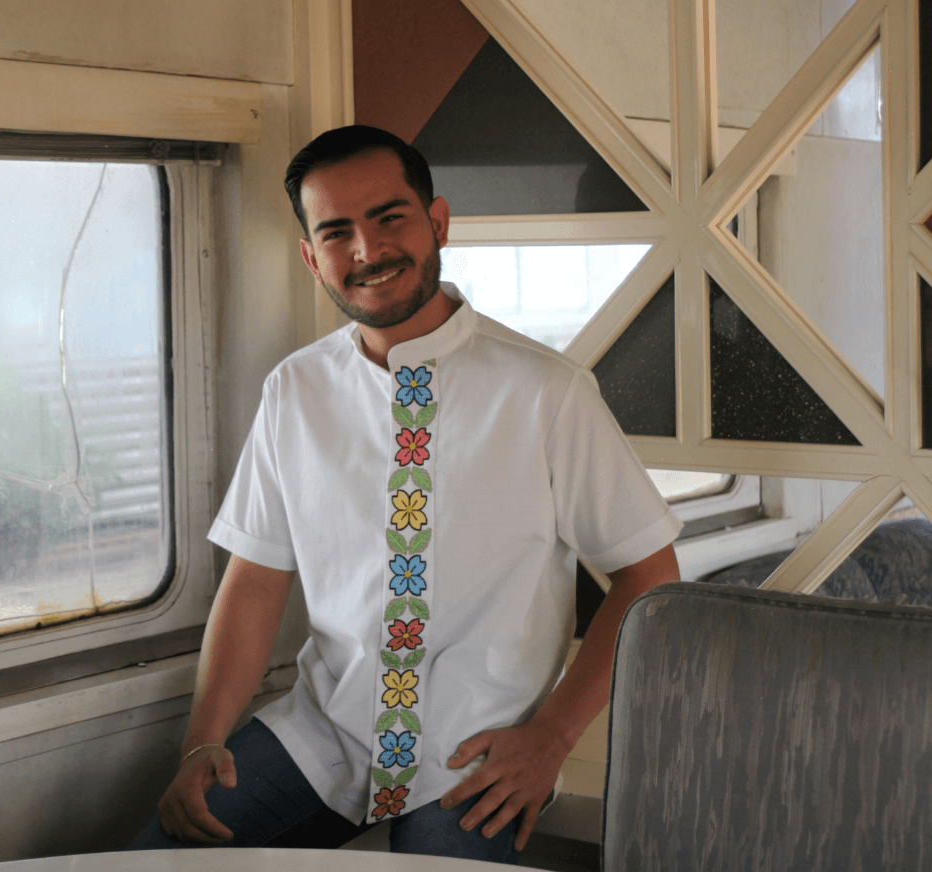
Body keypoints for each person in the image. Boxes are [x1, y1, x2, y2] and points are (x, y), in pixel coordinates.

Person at [129, 125, 682, 862]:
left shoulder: (547, 394)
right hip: (322, 732)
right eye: (337, 232)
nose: (367, 251)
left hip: (478, 749)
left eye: (390, 217)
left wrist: (550, 738)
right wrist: (203, 742)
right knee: (146, 859)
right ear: (310, 257)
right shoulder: (294, 391)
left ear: (438, 222)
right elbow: (257, 580)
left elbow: (649, 580)